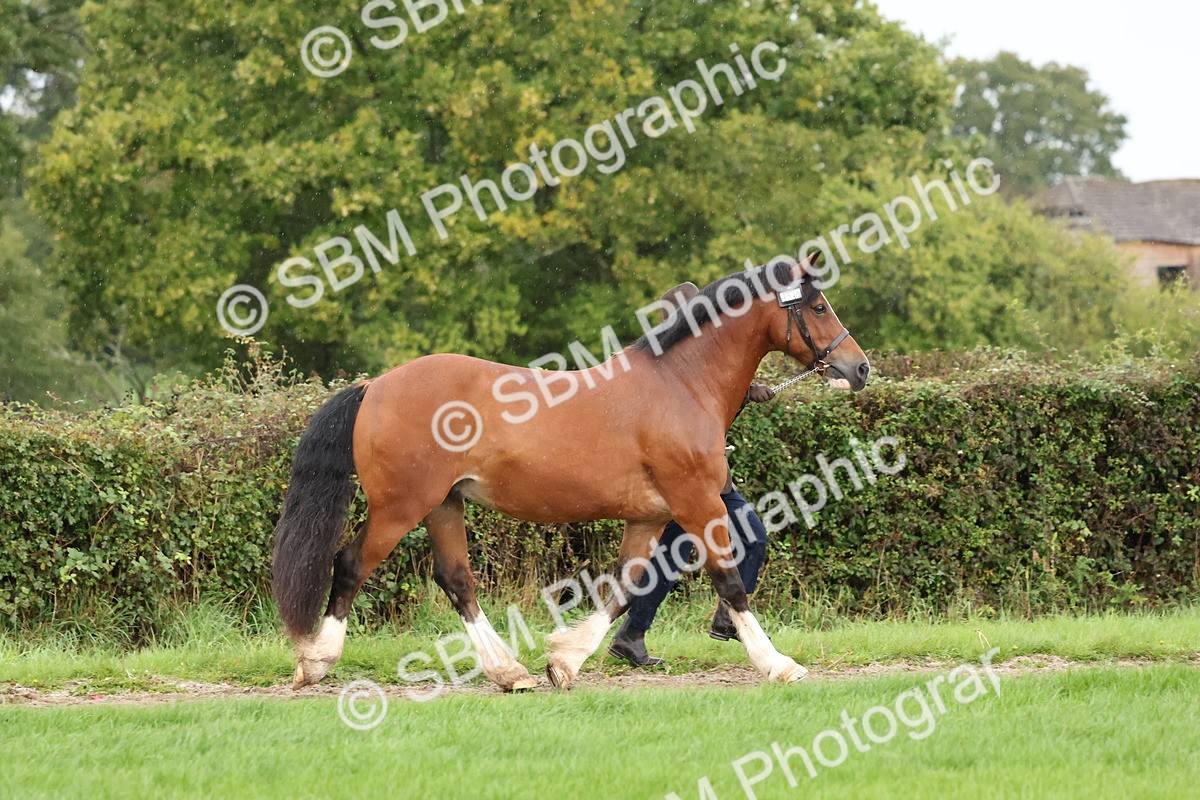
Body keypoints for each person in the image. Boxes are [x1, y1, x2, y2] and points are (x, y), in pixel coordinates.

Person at [608, 281, 776, 667]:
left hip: (708, 484)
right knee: (692, 553)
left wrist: (747, 391)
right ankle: (642, 633)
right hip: (686, 486)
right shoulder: (664, 367)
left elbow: (713, 402)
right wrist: (747, 392)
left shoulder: (701, 361)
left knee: (735, 542)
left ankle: (646, 632)